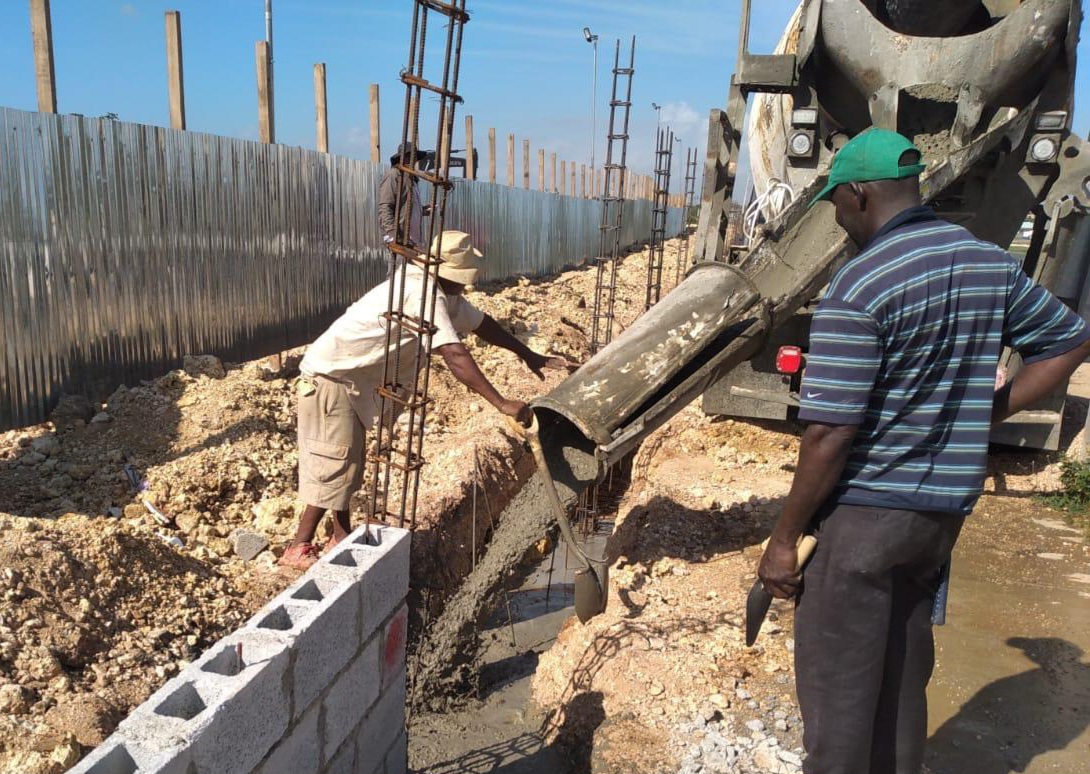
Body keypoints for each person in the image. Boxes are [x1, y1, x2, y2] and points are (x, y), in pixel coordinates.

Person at [756, 128, 1090, 774]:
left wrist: (782, 538)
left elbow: (830, 433)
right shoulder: (986, 263)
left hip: (863, 523)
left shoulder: (860, 286)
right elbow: (1070, 341)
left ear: (859, 195)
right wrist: (989, 409)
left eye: (836, 206)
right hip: (938, 520)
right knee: (901, 678)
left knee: (839, 698)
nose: (839, 220)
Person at [281, 229, 573, 569]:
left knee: (348, 462)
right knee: (334, 462)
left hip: (352, 380)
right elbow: (453, 353)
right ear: (447, 274)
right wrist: (501, 402)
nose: (465, 287)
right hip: (331, 377)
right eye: (461, 279)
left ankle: (339, 536)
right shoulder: (421, 293)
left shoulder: (443, 293)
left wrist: (529, 355)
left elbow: (483, 325)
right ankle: (298, 547)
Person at [378, 141, 431, 250]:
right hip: (401, 241)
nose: (414, 161)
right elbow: (385, 207)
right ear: (404, 158)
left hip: (415, 242)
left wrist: (422, 210)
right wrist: (393, 234)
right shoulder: (394, 175)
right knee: (400, 267)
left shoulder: (412, 179)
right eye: (411, 157)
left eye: (415, 158)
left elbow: (406, 208)